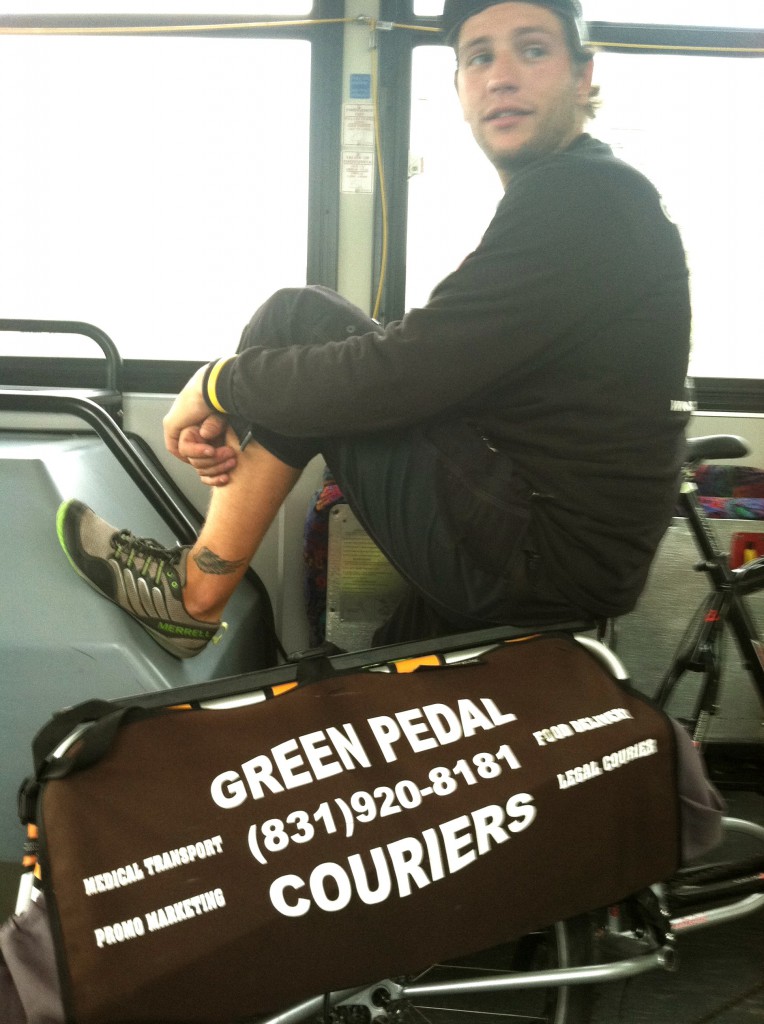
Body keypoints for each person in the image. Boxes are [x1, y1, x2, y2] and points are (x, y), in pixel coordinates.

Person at [57, 0, 693, 659]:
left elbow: (404, 371)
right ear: (459, 87)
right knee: (372, 681)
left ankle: (195, 594)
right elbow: (439, 364)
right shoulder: (590, 193)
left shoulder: (582, 195)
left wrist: (219, 384)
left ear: (583, 76)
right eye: (479, 57)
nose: (501, 76)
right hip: (546, 546)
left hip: (537, 558)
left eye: (532, 50)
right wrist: (255, 394)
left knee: (299, 321)